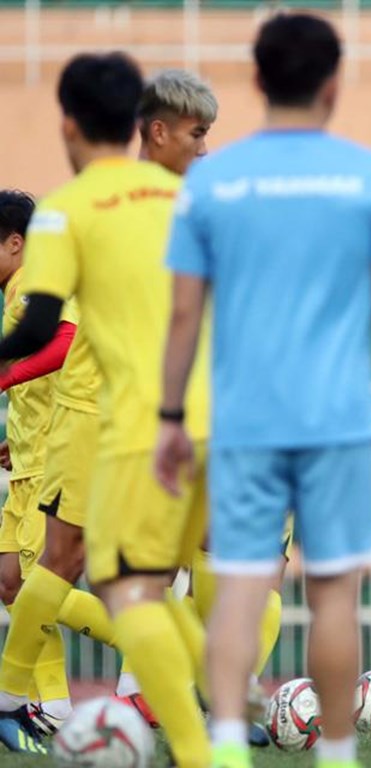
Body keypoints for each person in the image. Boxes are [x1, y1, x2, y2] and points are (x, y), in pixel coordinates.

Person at [156, 13, 371, 768]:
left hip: (242, 419)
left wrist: (172, 415)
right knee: (332, 594)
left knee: (239, 584)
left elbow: (182, 312)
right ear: (334, 83)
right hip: (336, 418)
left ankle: (229, 747)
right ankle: (336, 754)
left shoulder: (212, 182)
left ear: (258, 80)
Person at [0, 52, 212, 767]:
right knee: (147, 582)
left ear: (66, 122)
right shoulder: (186, 201)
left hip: (101, 414)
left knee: (61, 567)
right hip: (193, 414)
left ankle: (8, 697)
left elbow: (41, 330)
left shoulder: (68, 208)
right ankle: (202, 722)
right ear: (141, 126)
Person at [0, 189, 80, 752]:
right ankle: (52, 703)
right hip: (28, 459)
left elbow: (67, 343)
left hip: (54, 461)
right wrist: (14, 440)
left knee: (35, 584)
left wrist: (2, 378)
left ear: (14, 243)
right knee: (8, 579)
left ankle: (169, 662)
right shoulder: (16, 289)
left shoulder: (32, 282)